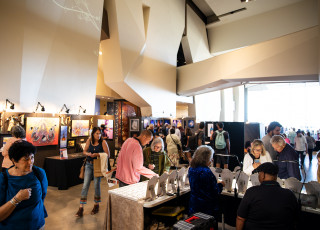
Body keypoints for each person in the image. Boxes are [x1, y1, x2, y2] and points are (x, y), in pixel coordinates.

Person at [0, 140, 48, 230]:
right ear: (14, 160)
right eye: (26, 159)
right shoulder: (3, 179)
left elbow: (42, 197)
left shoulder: (39, 173)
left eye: (32, 157)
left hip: (38, 225)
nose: (30, 162)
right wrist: (16, 199)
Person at [236, 162, 299, 230]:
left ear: (262, 175)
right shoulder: (289, 194)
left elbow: (240, 218)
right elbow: (296, 218)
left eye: (259, 174)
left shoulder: (251, 192)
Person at [76, 127, 110, 217]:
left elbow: (108, 154)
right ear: (93, 134)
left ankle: (96, 205)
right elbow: (84, 151)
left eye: (100, 133)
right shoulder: (89, 141)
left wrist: (98, 154)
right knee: (85, 185)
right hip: (88, 164)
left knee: (96, 185)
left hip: (98, 165)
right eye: (97, 133)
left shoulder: (103, 142)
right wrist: (88, 154)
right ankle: (81, 207)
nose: (98, 135)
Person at [188, 145, 225, 221]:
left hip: (194, 205)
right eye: (211, 157)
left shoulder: (191, 169)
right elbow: (214, 191)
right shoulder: (206, 172)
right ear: (205, 158)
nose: (212, 160)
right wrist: (221, 185)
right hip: (206, 208)